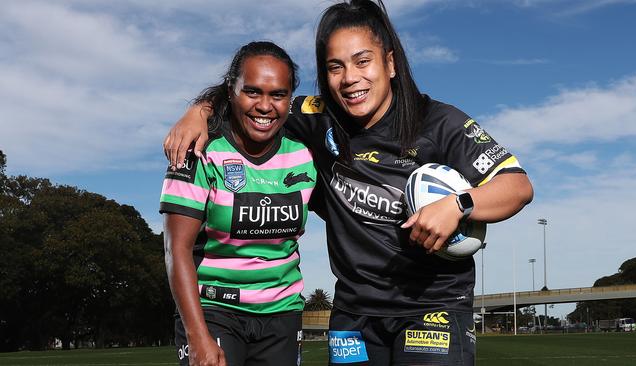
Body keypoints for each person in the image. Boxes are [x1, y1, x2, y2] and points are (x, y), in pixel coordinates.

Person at [164, 1, 533, 364]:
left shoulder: (438, 121)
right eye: (335, 67)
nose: (350, 78)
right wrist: (199, 110)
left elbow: (517, 186)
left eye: (362, 61)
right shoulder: (317, 118)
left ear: (389, 62)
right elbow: (254, 98)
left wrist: (458, 205)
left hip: (432, 308)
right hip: (353, 314)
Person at [160, 41, 317, 366]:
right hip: (214, 312)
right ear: (230, 92)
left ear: (290, 98)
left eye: (277, 95)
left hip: (283, 314)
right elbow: (176, 250)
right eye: (252, 92)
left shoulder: (304, 150)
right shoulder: (199, 149)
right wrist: (197, 335)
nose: (265, 106)